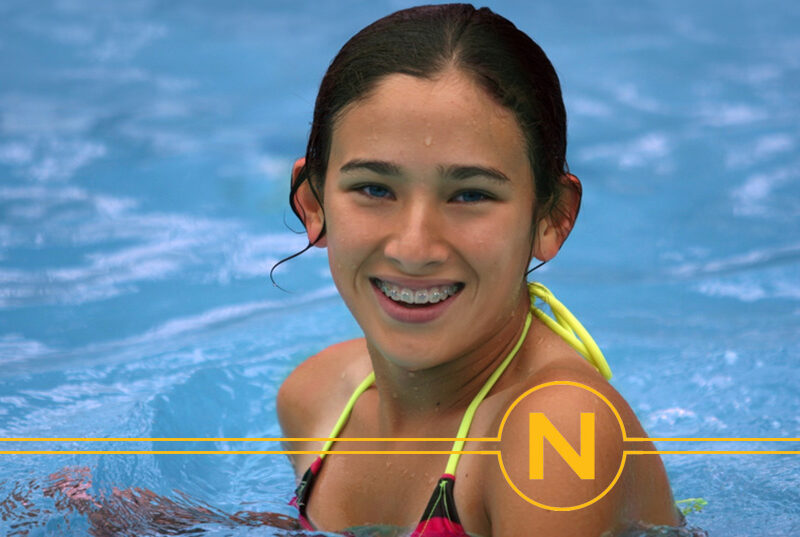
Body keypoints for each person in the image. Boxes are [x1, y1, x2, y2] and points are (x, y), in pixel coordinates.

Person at [276, 4, 682, 536]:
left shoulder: (555, 432)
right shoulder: (317, 396)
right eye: (375, 188)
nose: (414, 247)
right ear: (313, 204)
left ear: (552, 218)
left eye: (471, 194)